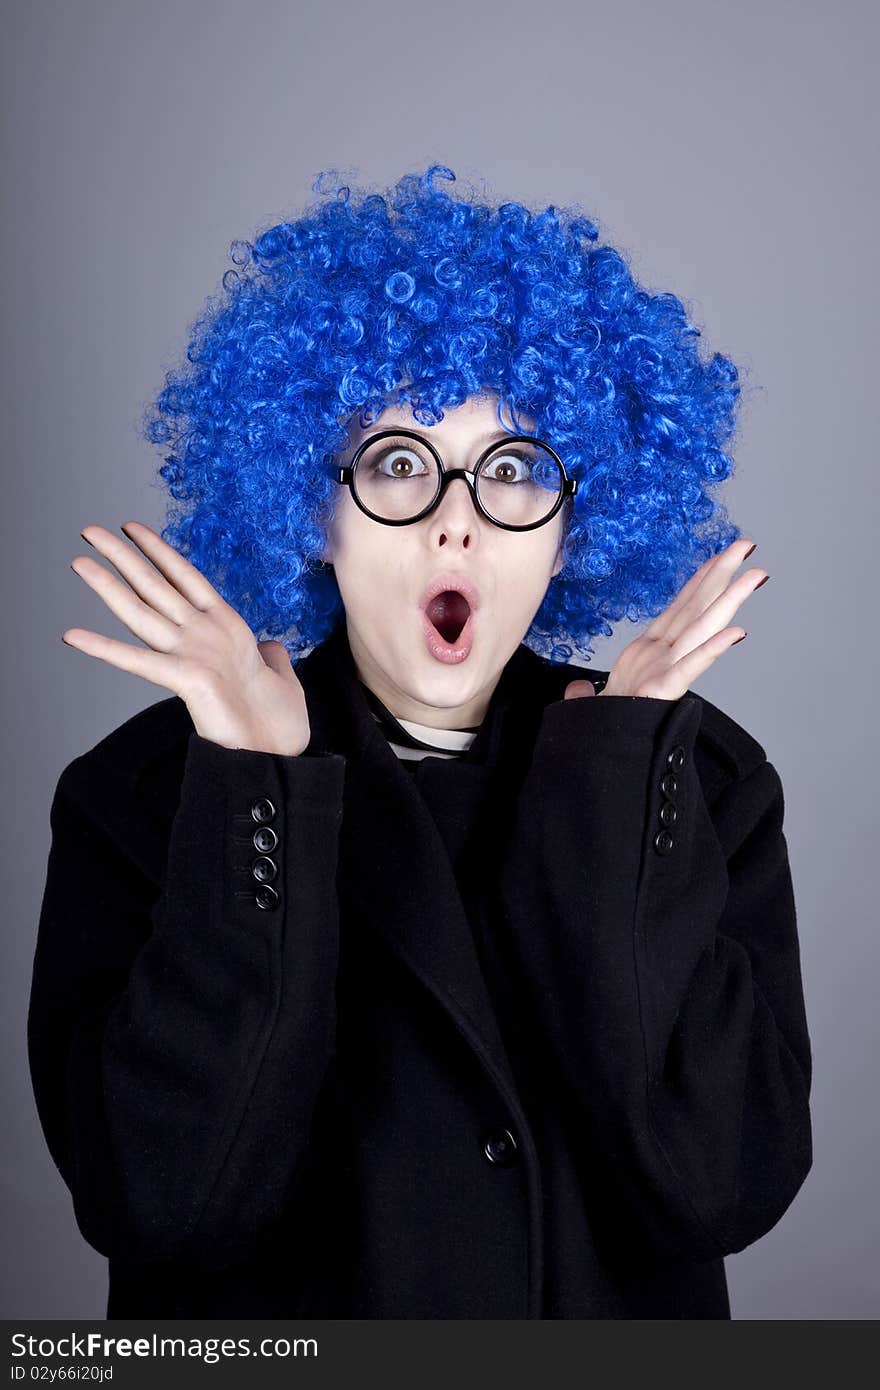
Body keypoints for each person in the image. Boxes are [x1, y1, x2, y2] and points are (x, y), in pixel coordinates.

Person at [27, 164, 812, 1319]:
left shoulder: (695, 783)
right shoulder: (145, 793)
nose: (457, 517)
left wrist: (613, 786)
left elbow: (719, 1189)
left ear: (573, 523)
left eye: (513, 469)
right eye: (399, 462)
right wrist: (258, 792)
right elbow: (165, 1205)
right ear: (314, 505)